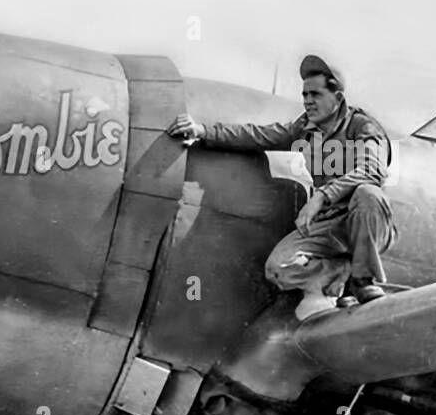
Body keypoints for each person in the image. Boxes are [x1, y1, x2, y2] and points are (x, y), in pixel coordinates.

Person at [167, 54, 395, 319]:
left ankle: (363, 279)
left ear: (338, 98)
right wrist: (203, 131)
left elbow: (372, 170)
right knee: (278, 268)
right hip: (328, 224)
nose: (308, 101)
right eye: (305, 94)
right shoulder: (307, 129)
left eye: (316, 94)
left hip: (364, 220)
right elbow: (260, 135)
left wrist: (322, 196)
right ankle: (341, 270)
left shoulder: (364, 127)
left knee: (368, 194)